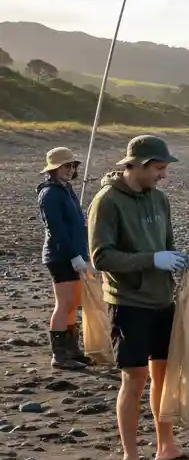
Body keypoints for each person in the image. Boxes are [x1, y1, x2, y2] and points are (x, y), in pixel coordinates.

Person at [88, 135, 189, 460]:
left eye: (164, 168)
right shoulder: (106, 202)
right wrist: (152, 260)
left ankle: (166, 446)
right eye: (159, 168)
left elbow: (165, 245)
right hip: (129, 303)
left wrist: (177, 260)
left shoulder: (160, 200)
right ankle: (130, 457)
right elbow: (101, 257)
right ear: (135, 164)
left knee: (163, 377)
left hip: (162, 301)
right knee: (134, 380)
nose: (163, 175)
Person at [37, 146, 91, 370]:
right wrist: (73, 256)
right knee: (65, 303)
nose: (70, 170)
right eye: (65, 166)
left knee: (74, 302)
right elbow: (57, 231)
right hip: (60, 256)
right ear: (54, 169)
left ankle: (72, 349)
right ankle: (59, 355)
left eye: (72, 166)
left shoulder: (66, 188)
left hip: (74, 253)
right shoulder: (49, 193)